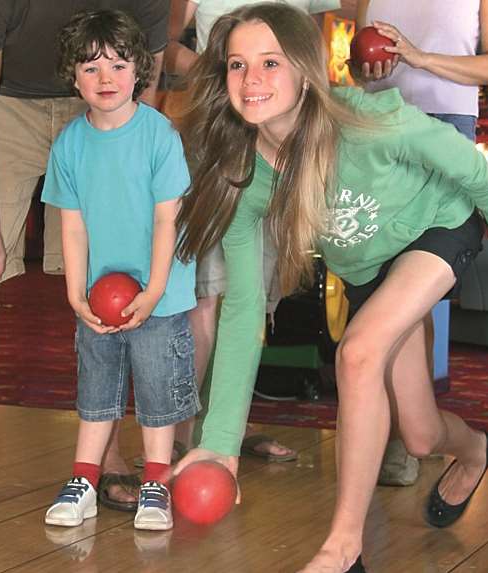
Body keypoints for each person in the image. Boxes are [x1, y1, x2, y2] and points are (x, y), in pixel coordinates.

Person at [172, 4, 488, 572]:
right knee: (420, 435)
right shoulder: (248, 175)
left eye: (270, 62)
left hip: (439, 226)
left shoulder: (371, 121)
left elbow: (473, 174)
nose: (252, 81)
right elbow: (244, 309)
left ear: (305, 68)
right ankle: (475, 449)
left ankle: (344, 548)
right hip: (372, 270)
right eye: (237, 65)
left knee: (358, 353)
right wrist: (222, 441)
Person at [0, 0, 169, 517]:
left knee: (107, 280)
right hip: (2, 104)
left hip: (102, 98)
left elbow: (145, 94)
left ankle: (107, 451)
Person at [160, 0, 340, 465]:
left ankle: (227, 424)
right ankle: (179, 436)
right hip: (220, 130)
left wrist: (265, 80)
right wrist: (229, 70)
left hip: (280, 141)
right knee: (203, 294)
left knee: (256, 292)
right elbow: (163, 42)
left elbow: (312, 50)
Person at [41, 10, 196, 531]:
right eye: (89, 68)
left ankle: (157, 483)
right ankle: (83, 478)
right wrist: (74, 296)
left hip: (161, 295)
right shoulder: (69, 145)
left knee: (157, 391)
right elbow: (74, 228)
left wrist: (153, 290)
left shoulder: (160, 136)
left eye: (117, 65)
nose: (104, 79)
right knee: (97, 388)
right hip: (98, 297)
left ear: (139, 71)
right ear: (72, 75)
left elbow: (164, 218)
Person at [355, 0, 488, 487]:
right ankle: (398, 426)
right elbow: (362, 73)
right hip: (377, 127)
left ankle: (404, 435)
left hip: (444, 128)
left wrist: (421, 58)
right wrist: (366, 69)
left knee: (413, 292)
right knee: (383, 284)